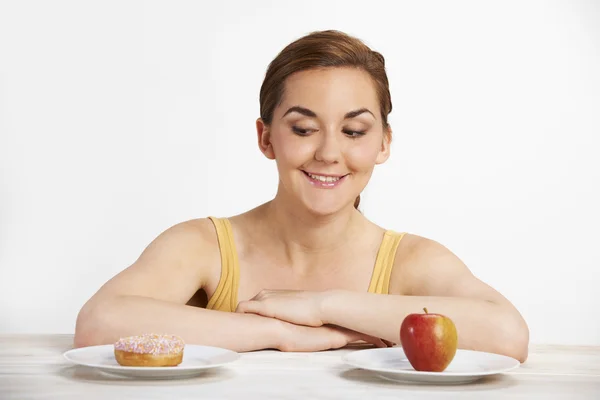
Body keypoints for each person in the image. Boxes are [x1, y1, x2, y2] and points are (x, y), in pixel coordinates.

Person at [74, 30, 529, 362]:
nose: (329, 152)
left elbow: (507, 334)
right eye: (304, 129)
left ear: (384, 143)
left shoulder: (411, 260)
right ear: (266, 137)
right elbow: (99, 322)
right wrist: (275, 333)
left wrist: (322, 305)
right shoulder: (205, 245)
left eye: (354, 131)